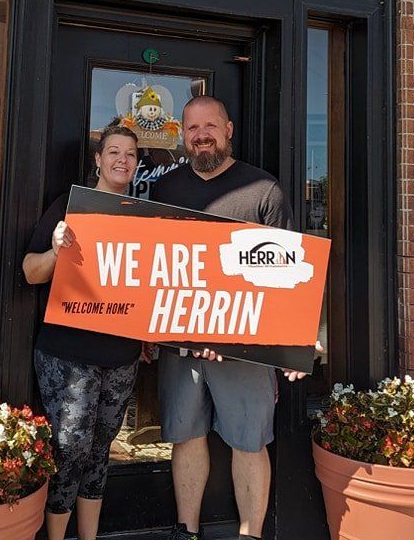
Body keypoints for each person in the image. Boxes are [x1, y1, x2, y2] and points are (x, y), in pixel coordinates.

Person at [152, 95, 310, 540]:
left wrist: (293, 344)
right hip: (181, 342)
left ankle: (250, 534)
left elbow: (288, 273)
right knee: (186, 436)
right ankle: (187, 530)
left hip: (245, 348)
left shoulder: (264, 191)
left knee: (249, 441)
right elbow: (151, 268)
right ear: (183, 135)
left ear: (229, 129)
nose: (201, 135)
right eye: (192, 129)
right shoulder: (166, 190)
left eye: (210, 126)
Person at [23, 124, 143, 540]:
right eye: (113, 151)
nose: (121, 160)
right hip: (67, 354)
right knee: (69, 450)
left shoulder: (144, 218)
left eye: (130, 154)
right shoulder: (68, 207)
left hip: (122, 356)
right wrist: (56, 250)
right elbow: (30, 273)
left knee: (99, 451)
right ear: (97, 159)